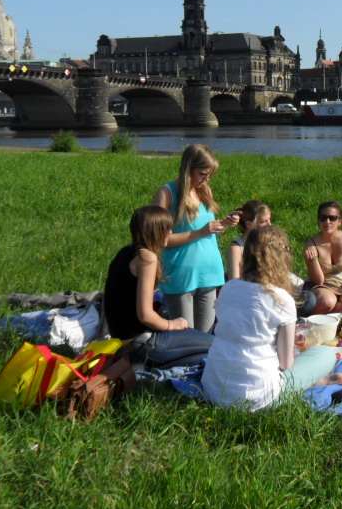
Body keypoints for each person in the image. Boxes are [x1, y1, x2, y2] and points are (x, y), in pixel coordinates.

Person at [202, 224, 342, 410]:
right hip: (257, 397)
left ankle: (309, 381)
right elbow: (285, 363)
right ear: (280, 257)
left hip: (213, 389)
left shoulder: (228, 288)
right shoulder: (281, 299)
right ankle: (311, 382)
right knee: (325, 354)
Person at [103, 206, 214, 367]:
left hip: (122, 339)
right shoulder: (146, 258)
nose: (170, 232)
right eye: (166, 228)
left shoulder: (126, 252)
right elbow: (145, 315)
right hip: (141, 342)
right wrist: (172, 324)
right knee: (214, 346)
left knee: (201, 350)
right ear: (155, 231)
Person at [152, 144, 239, 333]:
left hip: (209, 273)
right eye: (202, 174)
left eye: (209, 174)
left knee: (207, 336)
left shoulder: (204, 191)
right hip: (181, 276)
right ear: (188, 169)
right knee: (185, 337)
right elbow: (160, 240)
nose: (206, 179)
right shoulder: (166, 194)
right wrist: (201, 232)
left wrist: (222, 224)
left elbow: (206, 231)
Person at [302, 201, 342, 314]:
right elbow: (318, 280)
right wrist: (313, 260)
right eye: (323, 218)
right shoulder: (311, 245)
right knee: (327, 301)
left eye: (332, 218)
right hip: (321, 286)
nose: (327, 222)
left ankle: (324, 315)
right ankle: (332, 314)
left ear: (340, 221)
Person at [226, 200, 271, 280]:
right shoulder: (236, 249)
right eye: (264, 222)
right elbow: (233, 283)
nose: (269, 225)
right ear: (249, 224)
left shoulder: (268, 243)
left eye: (269, 220)